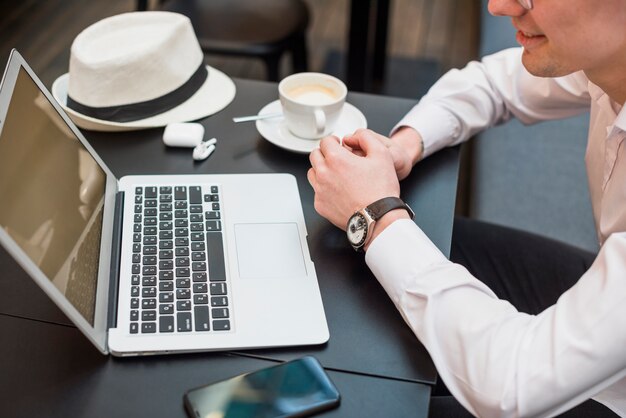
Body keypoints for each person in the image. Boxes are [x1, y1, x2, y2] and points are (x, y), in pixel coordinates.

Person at [307, 0, 626, 416]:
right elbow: (496, 83)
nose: (499, 6)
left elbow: (509, 386)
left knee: (386, 407)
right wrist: (405, 144)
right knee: (411, 248)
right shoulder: (606, 63)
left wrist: (375, 216)